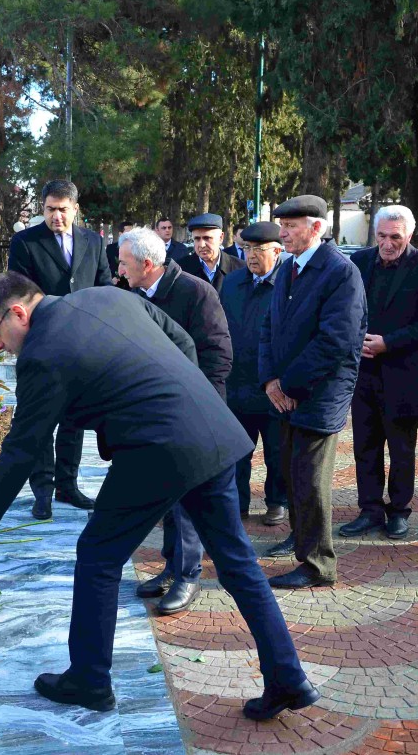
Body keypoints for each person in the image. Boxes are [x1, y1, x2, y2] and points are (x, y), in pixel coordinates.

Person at [0, 273, 319, 721]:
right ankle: (288, 676)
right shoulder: (105, 294)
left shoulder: (42, 354)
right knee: (237, 564)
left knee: (99, 554)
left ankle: (89, 680)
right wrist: (182, 400)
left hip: (158, 451)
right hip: (212, 431)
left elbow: (22, 451)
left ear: (19, 313)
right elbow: (181, 341)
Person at [119, 227, 232, 615]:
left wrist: (200, 409)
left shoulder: (197, 292)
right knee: (167, 496)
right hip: (153, 412)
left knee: (187, 502)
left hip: (192, 413)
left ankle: (188, 575)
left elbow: (219, 356)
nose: (118, 269)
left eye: (124, 262)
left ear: (148, 265)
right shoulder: (133, 296)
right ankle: (170, 568)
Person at [259, 195, 367, 589]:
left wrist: (288, 384)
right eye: (282, 226)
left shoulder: (340, 272)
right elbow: (269, 328)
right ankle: (303, 549)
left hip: (319, 396)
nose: (283, 233)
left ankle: (318, 566)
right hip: (286, 393)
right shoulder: (289, 268)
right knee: (293, 477)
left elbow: (335, 340)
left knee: (310, 482)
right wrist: (270, 381)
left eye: (291, 226)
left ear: (317, 228)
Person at [7, 179, 114, 519]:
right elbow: (17, 293)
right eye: (50, 209)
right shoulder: (25, 243)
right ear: (43, 208)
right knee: (41, 419)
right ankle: (43, 492)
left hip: (81, 345)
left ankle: (68, 485)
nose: (57, 216)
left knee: (73, 420)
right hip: (41, 343)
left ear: (75, 210)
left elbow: (104, 287)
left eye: (63, 210)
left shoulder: (93, 242)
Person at [337, 206, 418, 540]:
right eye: (381, 236)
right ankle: (369, 509)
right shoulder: (359, 262)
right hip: (363, 373)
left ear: (409, 235)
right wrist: (357, 342)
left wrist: (389, 343)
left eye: (394, 237)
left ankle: (399, 511)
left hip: (403, 375)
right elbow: (344, 310)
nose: (386, 243)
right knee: (365, 447)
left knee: (401, 450)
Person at [220, 221, 291, 526]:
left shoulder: (289, 282)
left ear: (277, 251)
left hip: (274, 386)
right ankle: (238, 505)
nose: (251, 255)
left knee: (277, 451)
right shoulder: (234, 282)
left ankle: (276, 502)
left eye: (258, 249)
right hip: (237, 383)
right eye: (247, 248)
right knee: (237, 453)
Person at [180, 213, 244, 292]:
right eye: (197, 239)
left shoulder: (240, 269)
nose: (202, 245)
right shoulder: (181, 270)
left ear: (221, 238)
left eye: (207, 238)